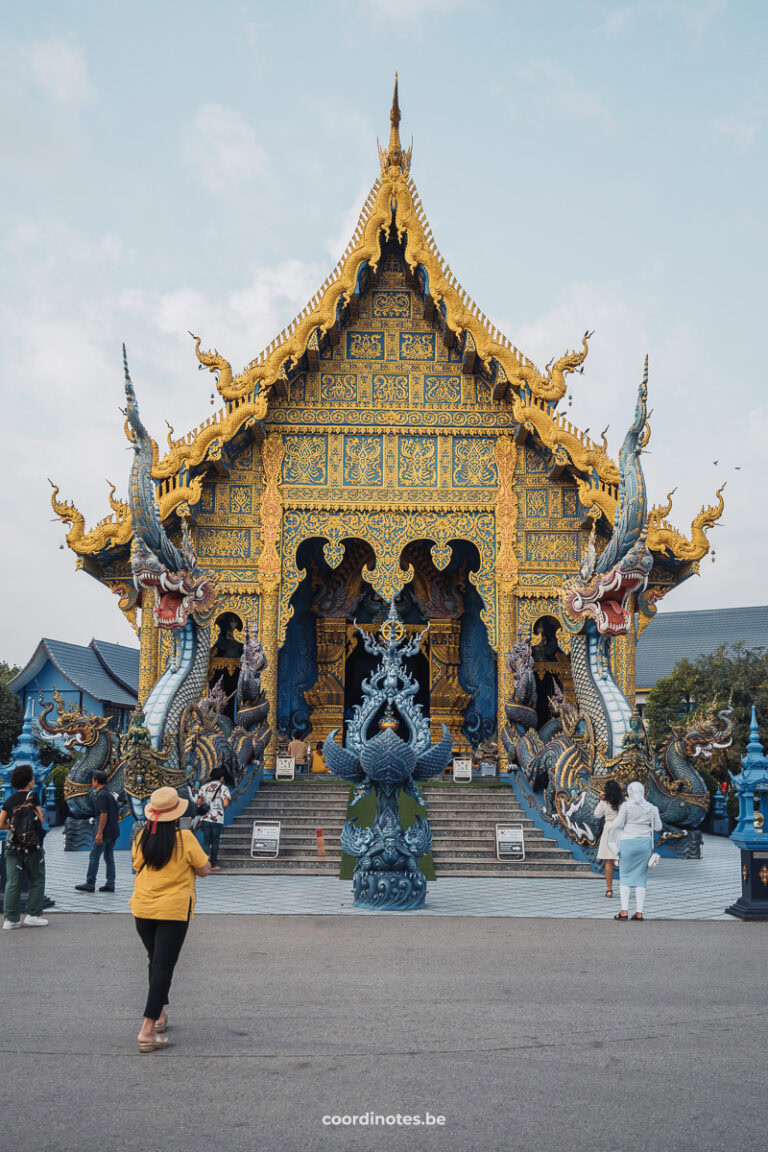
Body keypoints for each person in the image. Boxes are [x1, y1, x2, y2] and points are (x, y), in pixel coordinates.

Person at [130, 786, 211, 1052]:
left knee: (156, 962)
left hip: (142, 909)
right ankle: (147, 1031)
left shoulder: (142, 835)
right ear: (177, 813)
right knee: (163, 966)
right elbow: (204, 870)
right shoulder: (185, 838)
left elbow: (135, 864)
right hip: (173, 912)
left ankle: (160, 1016)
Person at [0, 763, 48, 929]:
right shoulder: (33, 796)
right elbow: (40, 820)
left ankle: (10, 919)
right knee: (37, 878)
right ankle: (33, 915)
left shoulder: (9, 800)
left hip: (12, 846)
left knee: (13, 881)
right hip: (32, 846)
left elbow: (0, 823)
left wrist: (13, 827)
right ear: (29, 781)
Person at [608, 780, 662, 922]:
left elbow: (619, 824)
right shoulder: (651, 808)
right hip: (644, 844)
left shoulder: (626, 806)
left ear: (630, 792)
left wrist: (611, 831)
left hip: (628, 842)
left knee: (625, 877)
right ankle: (639, 913)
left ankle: (624, 911)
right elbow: (658, 827)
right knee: (641, 879)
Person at [75, 770, 120, 893]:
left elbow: (103, 814)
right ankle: (110, 883)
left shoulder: (101, 795)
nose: (92, 783)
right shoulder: (110, 793)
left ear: (96, 781)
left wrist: (99, 833)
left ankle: (90, 883)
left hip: (105, 831)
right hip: (114, 830)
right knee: (109, 857)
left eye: (92, 780)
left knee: (94, 856)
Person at [195, 767, 231, 870]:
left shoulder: (204, 787)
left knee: (206, 841)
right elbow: (226, 803)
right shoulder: (224, 788)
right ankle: (213, 864)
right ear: (221, 778)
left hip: (205, 818)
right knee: (215, 841)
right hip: (218, 818)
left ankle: (204, 864)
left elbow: (199, 802)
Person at [594, 780, 624, 898]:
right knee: (624, 861)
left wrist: (601, 801)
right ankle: (624, 887)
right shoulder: (624, 802)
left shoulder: (605, 802)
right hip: (621, 830)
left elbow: (597, 814)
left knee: (609, 861)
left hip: (609, 830)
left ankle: (609, 890)